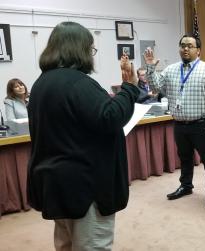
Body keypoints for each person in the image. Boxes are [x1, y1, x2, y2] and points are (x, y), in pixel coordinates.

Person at [27, 21, 140, 251]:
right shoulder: (78, 83)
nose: (92, 55)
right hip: (86, 187)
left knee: (66, 244)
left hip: (57, 183)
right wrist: (129, 87)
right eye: (90, 49)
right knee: (93, 245)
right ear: (78, 49)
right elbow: (110, 117)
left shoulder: (41, 83)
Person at [144, 34, 205, 208]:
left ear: (198, 51)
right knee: (185, 157)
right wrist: (150, 68)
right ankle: (186, 186)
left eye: (189, 46)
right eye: (182, 45)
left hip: (201, 123)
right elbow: (156, 87)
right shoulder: (171, 69)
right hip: (179, 124)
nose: (185, 48)